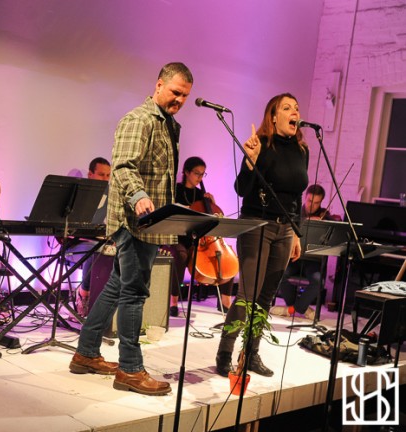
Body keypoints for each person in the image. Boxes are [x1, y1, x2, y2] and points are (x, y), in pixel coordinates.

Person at [69, 62, 193, 396]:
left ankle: (86, 352)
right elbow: (123, 167)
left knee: (117, 285)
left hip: (151, 221)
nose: (179, 100)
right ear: (159, 84)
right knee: (134, 292)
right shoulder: (139, 119)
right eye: (175, 92)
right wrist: (138, 196)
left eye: (185, 96)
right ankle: (130, 369)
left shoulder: (169, 124)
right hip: (133, 220)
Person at [215, 93, 309, 378]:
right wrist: (250, 162)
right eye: (287, 108)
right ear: (273, 116)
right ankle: (225, 352)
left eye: (296, 108)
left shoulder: (302, 150)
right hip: (256, 225)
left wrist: (296, 234)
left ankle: (250, 353)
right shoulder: (262, 145)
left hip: (285, 230)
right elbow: (241, 189)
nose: (294, 112)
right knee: (247, 296)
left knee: (266, 297)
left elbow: (296, 198)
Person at [167, 156, 235, 317]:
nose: (200, 177)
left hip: (198, 240)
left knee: (226, 257)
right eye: (197, 173)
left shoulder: (201, 195)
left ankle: (225, 301)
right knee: (181, 256)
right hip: (177, 237)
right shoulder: (175, 190)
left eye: (203, 174)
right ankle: (173, 301)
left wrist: (212, 204)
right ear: (186, 172)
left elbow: (212, 220)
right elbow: (170, 211)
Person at [270, 184, 341, 319]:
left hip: (313, 262)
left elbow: (337, 228)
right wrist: (305, 221)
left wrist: (327, 221)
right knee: (279, 274)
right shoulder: (295, 212)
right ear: (305, 198)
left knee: (318, 282)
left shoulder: (324, 216)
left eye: (316, 203)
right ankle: (300, 307)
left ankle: (292, 309)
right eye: (309, 201)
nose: (312, 206)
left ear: (321, 202)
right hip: (294, 258)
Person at [73, 157, 111, 318]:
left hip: (99, 242)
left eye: (108, 175)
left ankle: (108, 302)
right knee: (95, 250)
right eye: (101, 175)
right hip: (75, 244)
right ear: (90, 174)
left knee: (116, 250)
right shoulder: (78, 192)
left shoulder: (110, 195)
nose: (105, 179)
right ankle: (84, 294)